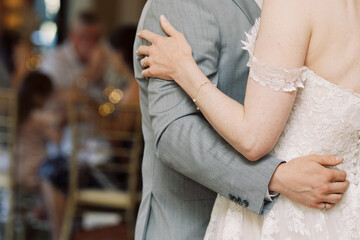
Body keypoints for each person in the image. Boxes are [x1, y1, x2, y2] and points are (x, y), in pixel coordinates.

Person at [136, 0, 360, 239]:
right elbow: (176, 133)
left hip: (299, 216)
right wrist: (275, 177)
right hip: (192, 222)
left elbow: (255, 136)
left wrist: (184, 70)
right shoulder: (181, 4)